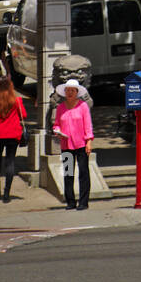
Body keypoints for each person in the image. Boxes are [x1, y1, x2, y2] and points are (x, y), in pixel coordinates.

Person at [0, 75, 27, 203]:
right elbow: (23, 115)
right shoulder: (17, 100)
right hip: (13, 134)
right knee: (10, 162)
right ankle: (7, 193)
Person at [53, 78, 95, 210]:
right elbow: (56, 124)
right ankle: (70, 201)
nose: (70, 93)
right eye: (68, 90)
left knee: (83, 172)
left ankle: (83, 202)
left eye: (72, 90)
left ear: (77, 92)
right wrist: (57, 131)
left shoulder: (83, 106)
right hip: (66, 144)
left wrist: (89, 141)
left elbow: (88, 125)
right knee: (68, 173)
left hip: (81, 144)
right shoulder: (60, 108)